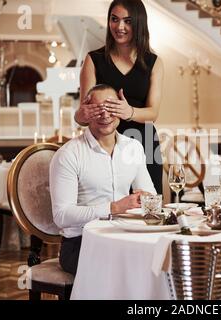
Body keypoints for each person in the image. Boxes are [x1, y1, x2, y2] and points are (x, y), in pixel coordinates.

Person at [50, 84, 156, 276]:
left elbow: (150, 197)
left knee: (160, 261)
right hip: (81, 243)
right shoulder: (68, 154)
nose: (105, 115)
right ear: (86, 111)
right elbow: (61, 216)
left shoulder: (134, 147)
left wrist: (146, 199)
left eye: (111, 107)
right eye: (98, 109)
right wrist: (114, 208)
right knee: (128, 269)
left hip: (125, 237)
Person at [75, 0, 164, 194]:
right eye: (114, 19)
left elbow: (153, 113)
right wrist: (81, 115)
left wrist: (128, 111)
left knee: (149, 210)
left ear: (138, 23)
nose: (119, 27)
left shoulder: (154, 63)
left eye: (127, 21)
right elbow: (81, 117)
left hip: (144, 141)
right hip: (103, 144)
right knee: (110, 208)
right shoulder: (93, 60)